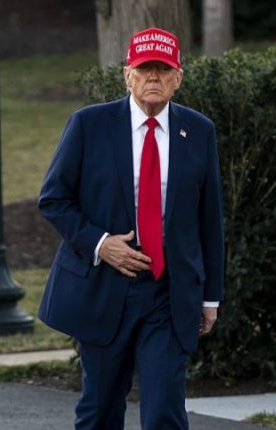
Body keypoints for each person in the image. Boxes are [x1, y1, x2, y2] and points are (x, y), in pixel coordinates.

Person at [37, 27, 225, 430]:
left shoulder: (199, 131)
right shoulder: (90, 125)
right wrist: (101, 243)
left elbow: (210, 218)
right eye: (144, 69)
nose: (152, 78)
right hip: (105, 287)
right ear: (127, 75)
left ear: (178, 78)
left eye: (162, 69)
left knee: (164, 413)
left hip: (168, 292)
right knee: (100, 411)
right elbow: (53, 199)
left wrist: (211, 297)